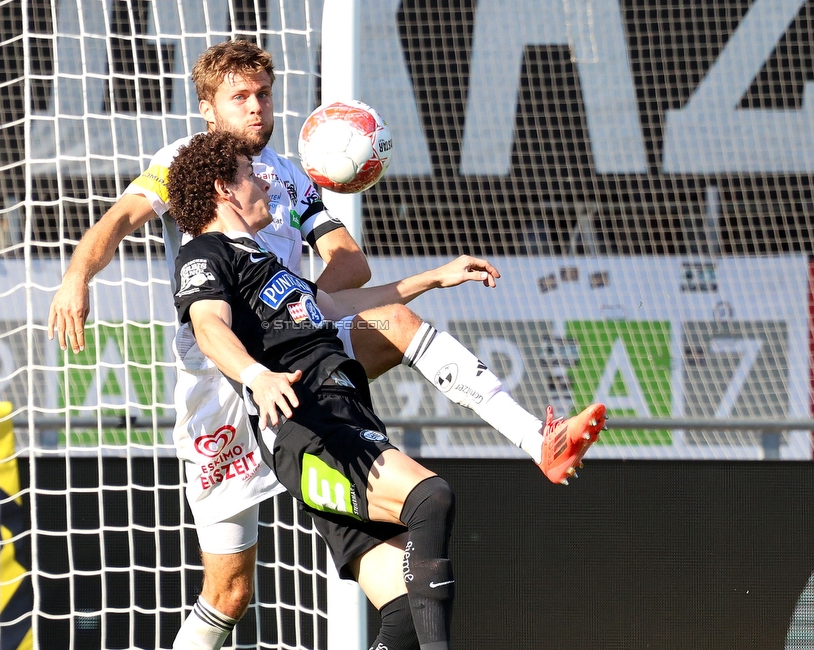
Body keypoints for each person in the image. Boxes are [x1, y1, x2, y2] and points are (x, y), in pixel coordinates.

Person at [47, 39, 605, 650]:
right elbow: (122, 222)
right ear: (209, 108)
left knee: (394, 324)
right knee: (230, 592)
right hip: (223, 386)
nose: (257, 108)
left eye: (264, 94)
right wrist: (76, 277)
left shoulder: (286, 174)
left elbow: (348, 259)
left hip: (299, 367)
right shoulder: (189, 164)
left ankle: (535, 440)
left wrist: (296, 308)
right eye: (240, 98)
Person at [165, 130, 606, 650]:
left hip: (342, 414)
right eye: (249, 171)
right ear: (223, 188)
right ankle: (537, 444)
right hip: (311, 428)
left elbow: (335, 305)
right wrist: (257, 376)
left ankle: (537, 442)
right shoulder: (204, 252)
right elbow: (208, 325)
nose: (264, 178)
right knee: (431, 497)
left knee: (402, 615)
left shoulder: (262, 260)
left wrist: (435, 277)